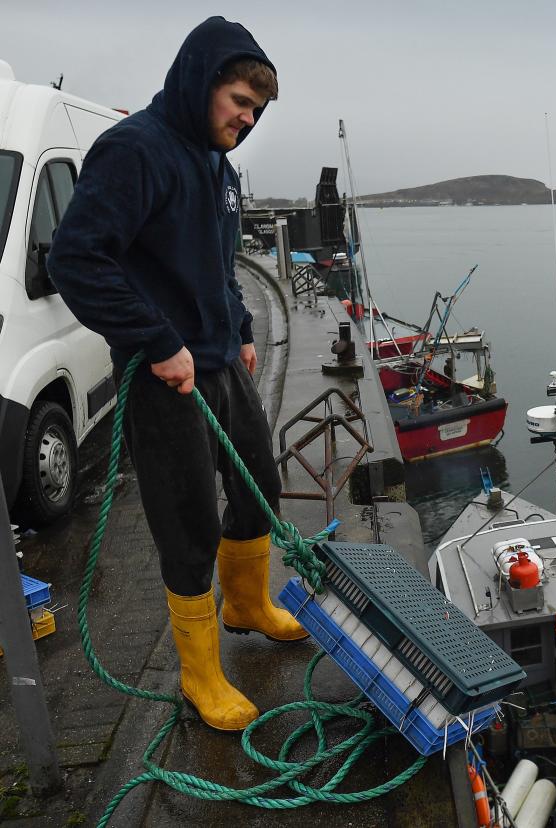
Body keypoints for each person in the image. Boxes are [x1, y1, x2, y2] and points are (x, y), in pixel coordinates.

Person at [48, 17, 305, 733]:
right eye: (237, 101)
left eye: (255, 111)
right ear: (201, 82)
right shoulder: (135, 151)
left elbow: (214, 265)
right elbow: (77, 259)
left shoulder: (218, 166)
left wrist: (243, 329)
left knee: (261, 484)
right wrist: (156, 341)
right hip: (165, 377)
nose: (246, 119)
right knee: (187, 520)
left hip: (221, 360)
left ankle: (248, 603)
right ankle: (200, 675)